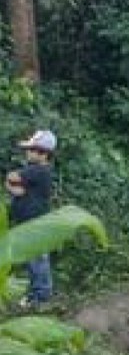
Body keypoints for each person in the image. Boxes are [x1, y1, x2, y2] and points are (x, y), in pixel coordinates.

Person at [6, 130, 56, 306]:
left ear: (43, 153)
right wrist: (11, 185)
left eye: (31, 149)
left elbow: (13, 178)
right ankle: (36, 294)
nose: (27, 152)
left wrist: (9, 178)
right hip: (29, 224)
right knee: (33, 260)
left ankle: (41, 296)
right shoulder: (36, 171)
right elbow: (18, 191)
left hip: (36, 224)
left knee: (38, 259)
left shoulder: (38, 170)